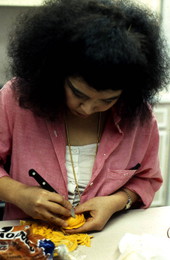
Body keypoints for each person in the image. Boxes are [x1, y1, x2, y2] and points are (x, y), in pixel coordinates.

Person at [0, 0, 169, 233]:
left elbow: (147, 180)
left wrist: (117, 202)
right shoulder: (16, 100)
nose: (88, 109)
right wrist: (19, 194)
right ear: (56, 73)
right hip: (27, 243)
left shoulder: (138, 117)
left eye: (107, 100)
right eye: (78, 93)